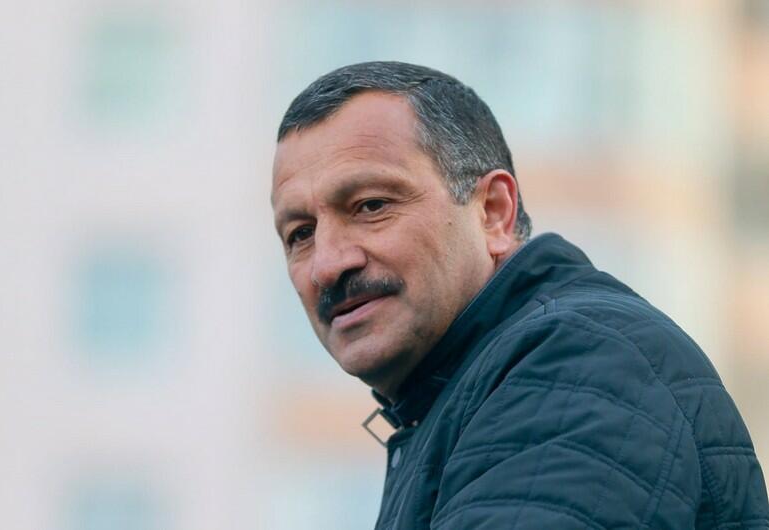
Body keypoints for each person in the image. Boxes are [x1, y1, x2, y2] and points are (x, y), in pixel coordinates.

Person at [270, 61, 769, 529]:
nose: (327, 265)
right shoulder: (462, 398)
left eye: (371, 205)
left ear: (493, 212)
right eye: (300, 234)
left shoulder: (579, 362)